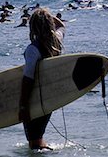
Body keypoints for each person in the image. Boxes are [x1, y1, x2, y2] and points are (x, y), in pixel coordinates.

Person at [19, 8, 65, 150]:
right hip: (50, 96)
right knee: (37, 137)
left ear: (32, 26)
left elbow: (28, 79)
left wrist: (23, 106)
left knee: (34, 142)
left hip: (35, 97)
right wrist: (47, 16)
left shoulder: (33, 49)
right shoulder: (56, 41)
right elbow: (62, 26)